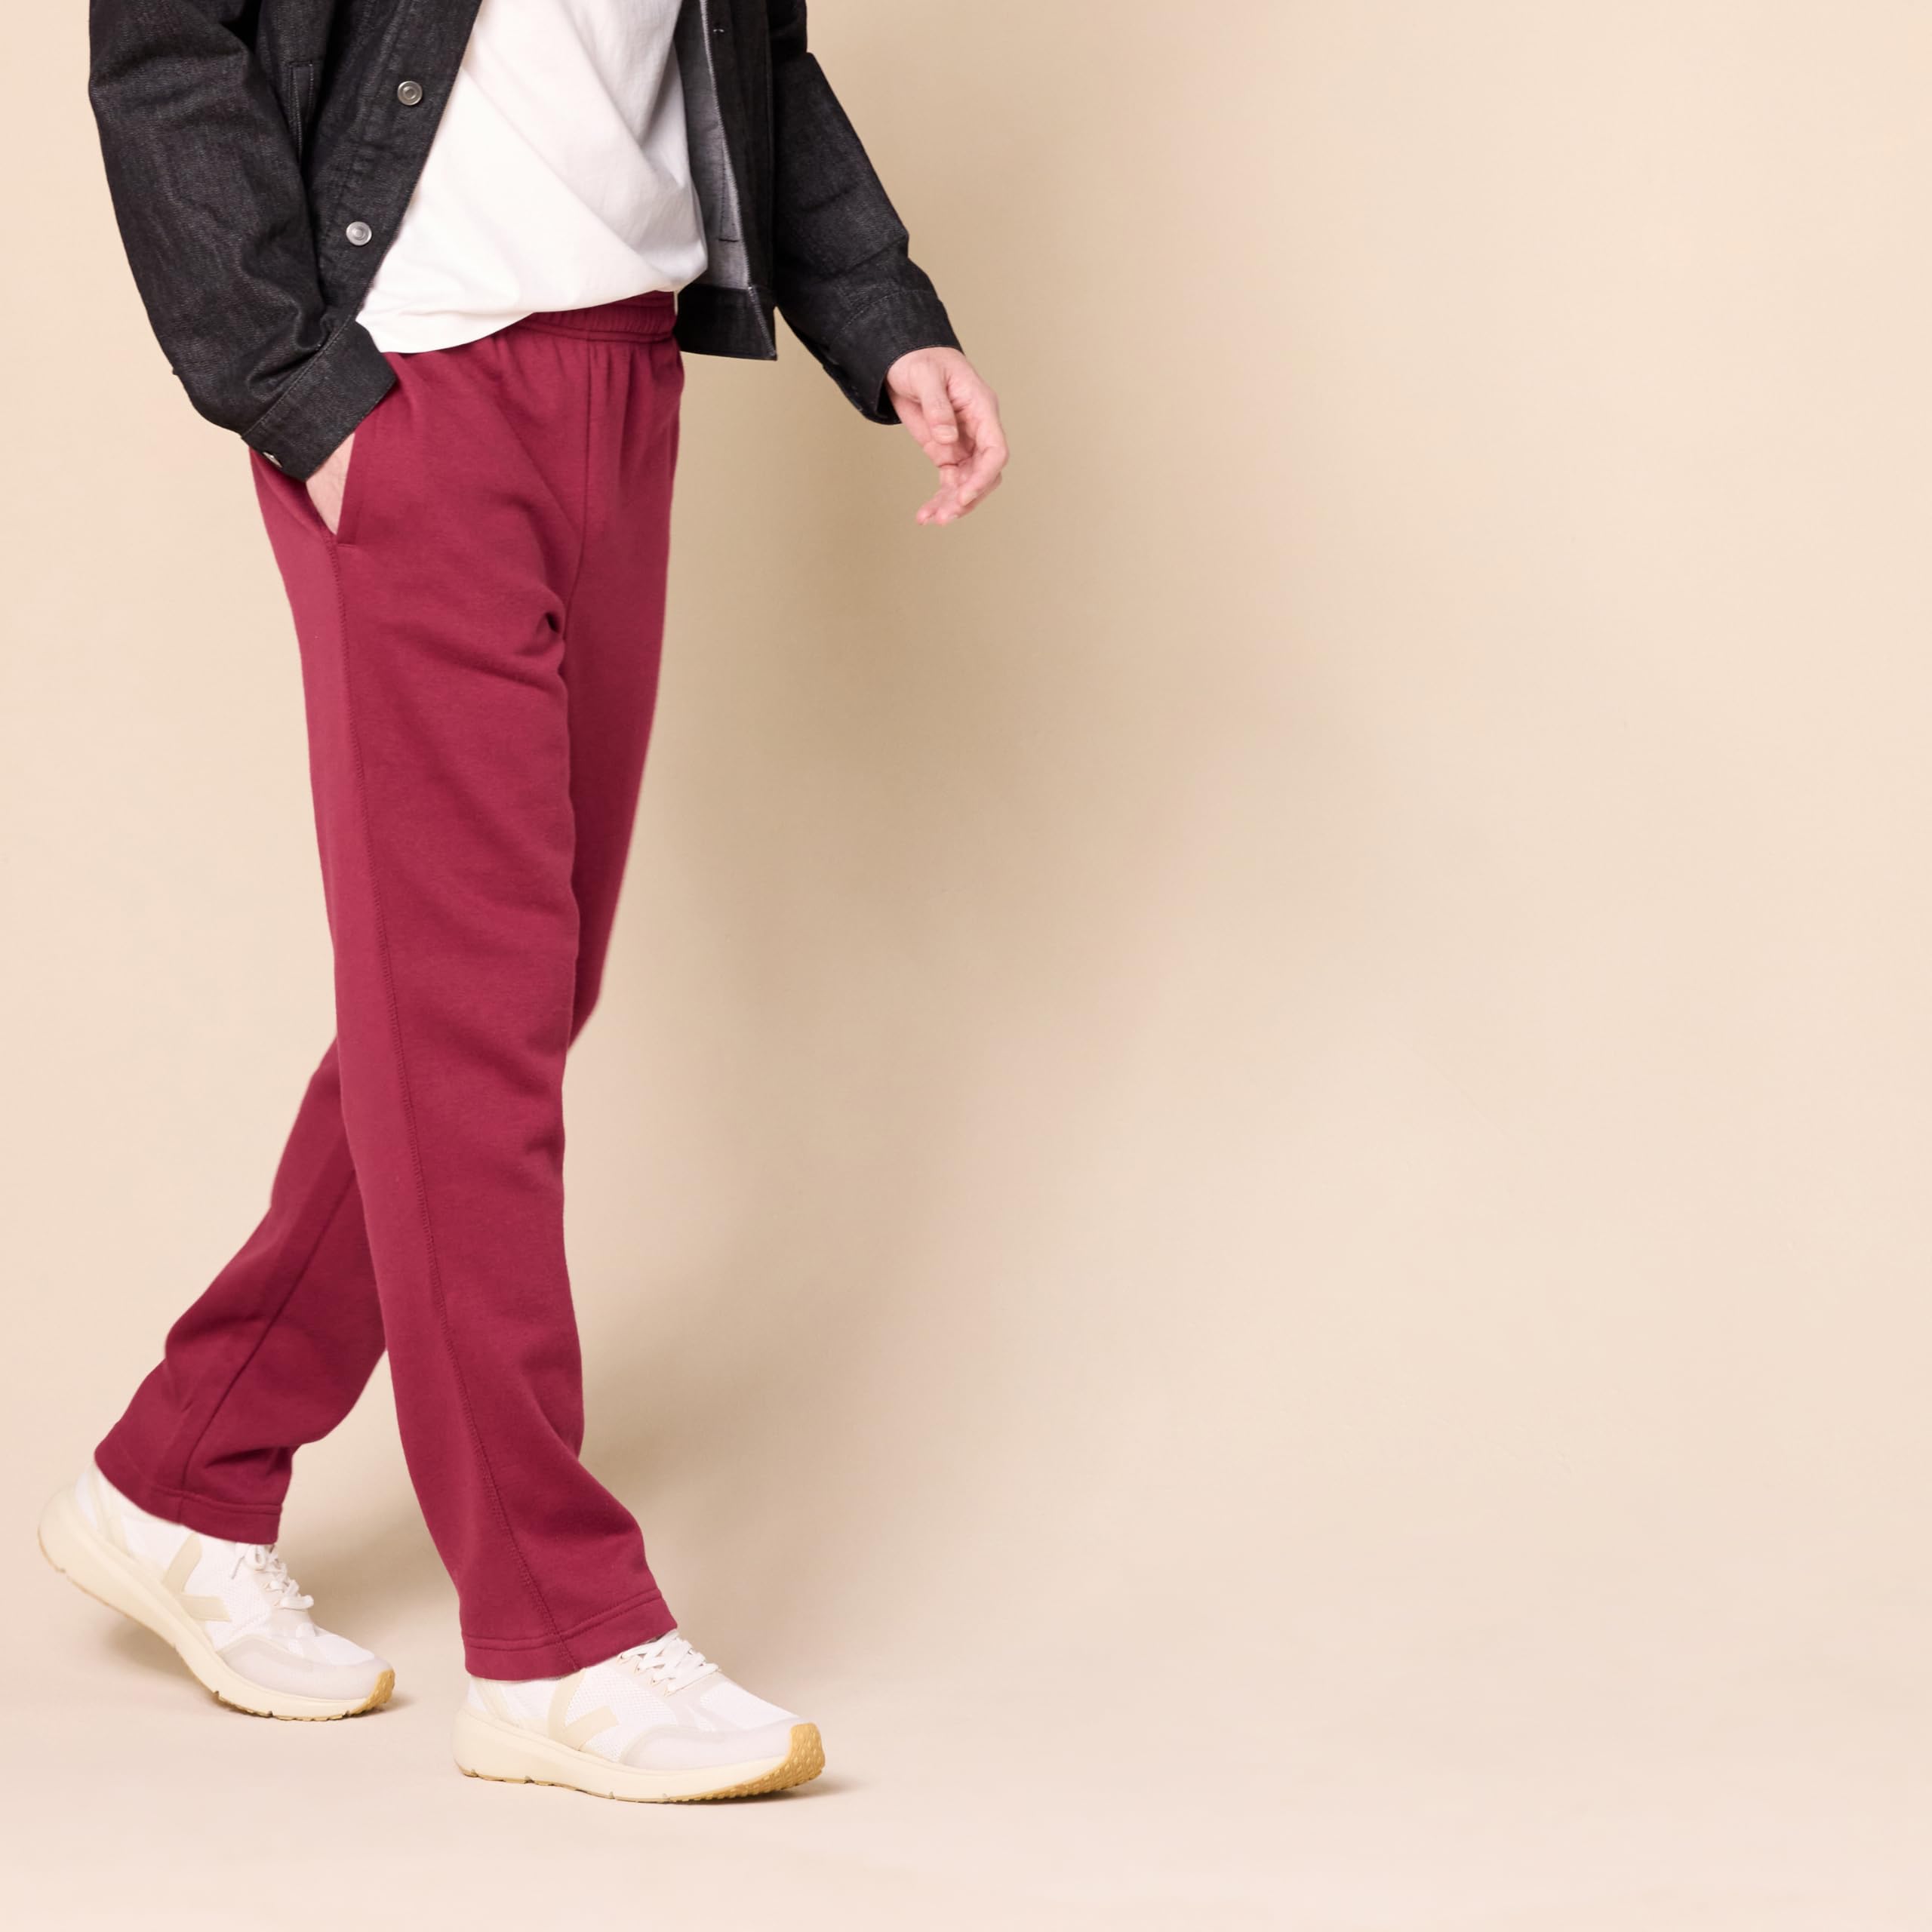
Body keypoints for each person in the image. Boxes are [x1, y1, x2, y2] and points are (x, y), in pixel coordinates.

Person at [42, 0, 1007, 1805]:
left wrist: (887, 318)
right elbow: (168, 47)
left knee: (504, 994)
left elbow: (755, 60)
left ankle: (185, 1470)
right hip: (409, 382)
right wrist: (294, 391)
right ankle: (556, 1638)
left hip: (621, 379)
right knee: (471, 1020)